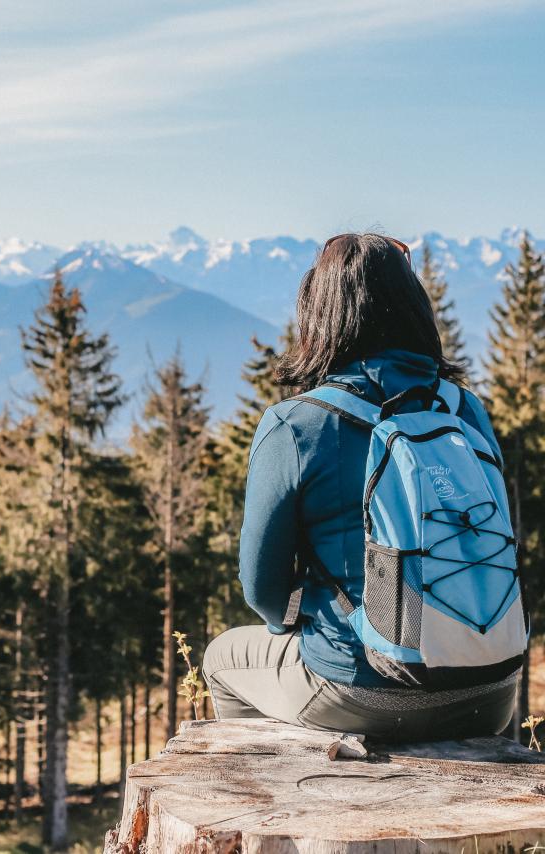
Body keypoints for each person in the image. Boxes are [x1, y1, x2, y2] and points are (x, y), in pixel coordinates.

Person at [202, 232, 518, 741]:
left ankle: (277, 798)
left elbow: (260, 587)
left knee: (222, 658)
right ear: (416, 310)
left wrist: (299, 621)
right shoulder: (463, 410)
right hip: (491, 690)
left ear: (320, 315)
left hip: (360, 689)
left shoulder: (296, 424)